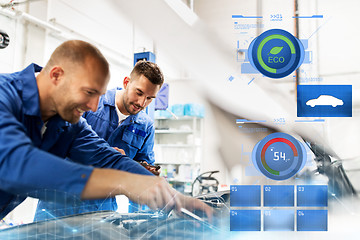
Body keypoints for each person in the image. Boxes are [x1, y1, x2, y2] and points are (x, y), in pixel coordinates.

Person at [0, 40, 212, 222]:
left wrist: (171, 195)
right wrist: (120, 182)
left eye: (98, 95)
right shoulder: (4, 97)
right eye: (88, 93)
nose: (93, 107)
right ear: (56, 75)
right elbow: (17, 163)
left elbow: (109, 158)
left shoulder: (68, 123)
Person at [35, 61, 163, 218]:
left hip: (101, 208)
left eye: (150, 98)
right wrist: (108, 158)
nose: (142, 103)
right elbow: (58, 147)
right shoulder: (92, 102)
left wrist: (141, 169)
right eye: (139, 93)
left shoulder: (146, 126)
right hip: (59, 202)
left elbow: (142, 173)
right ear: (126, 82)